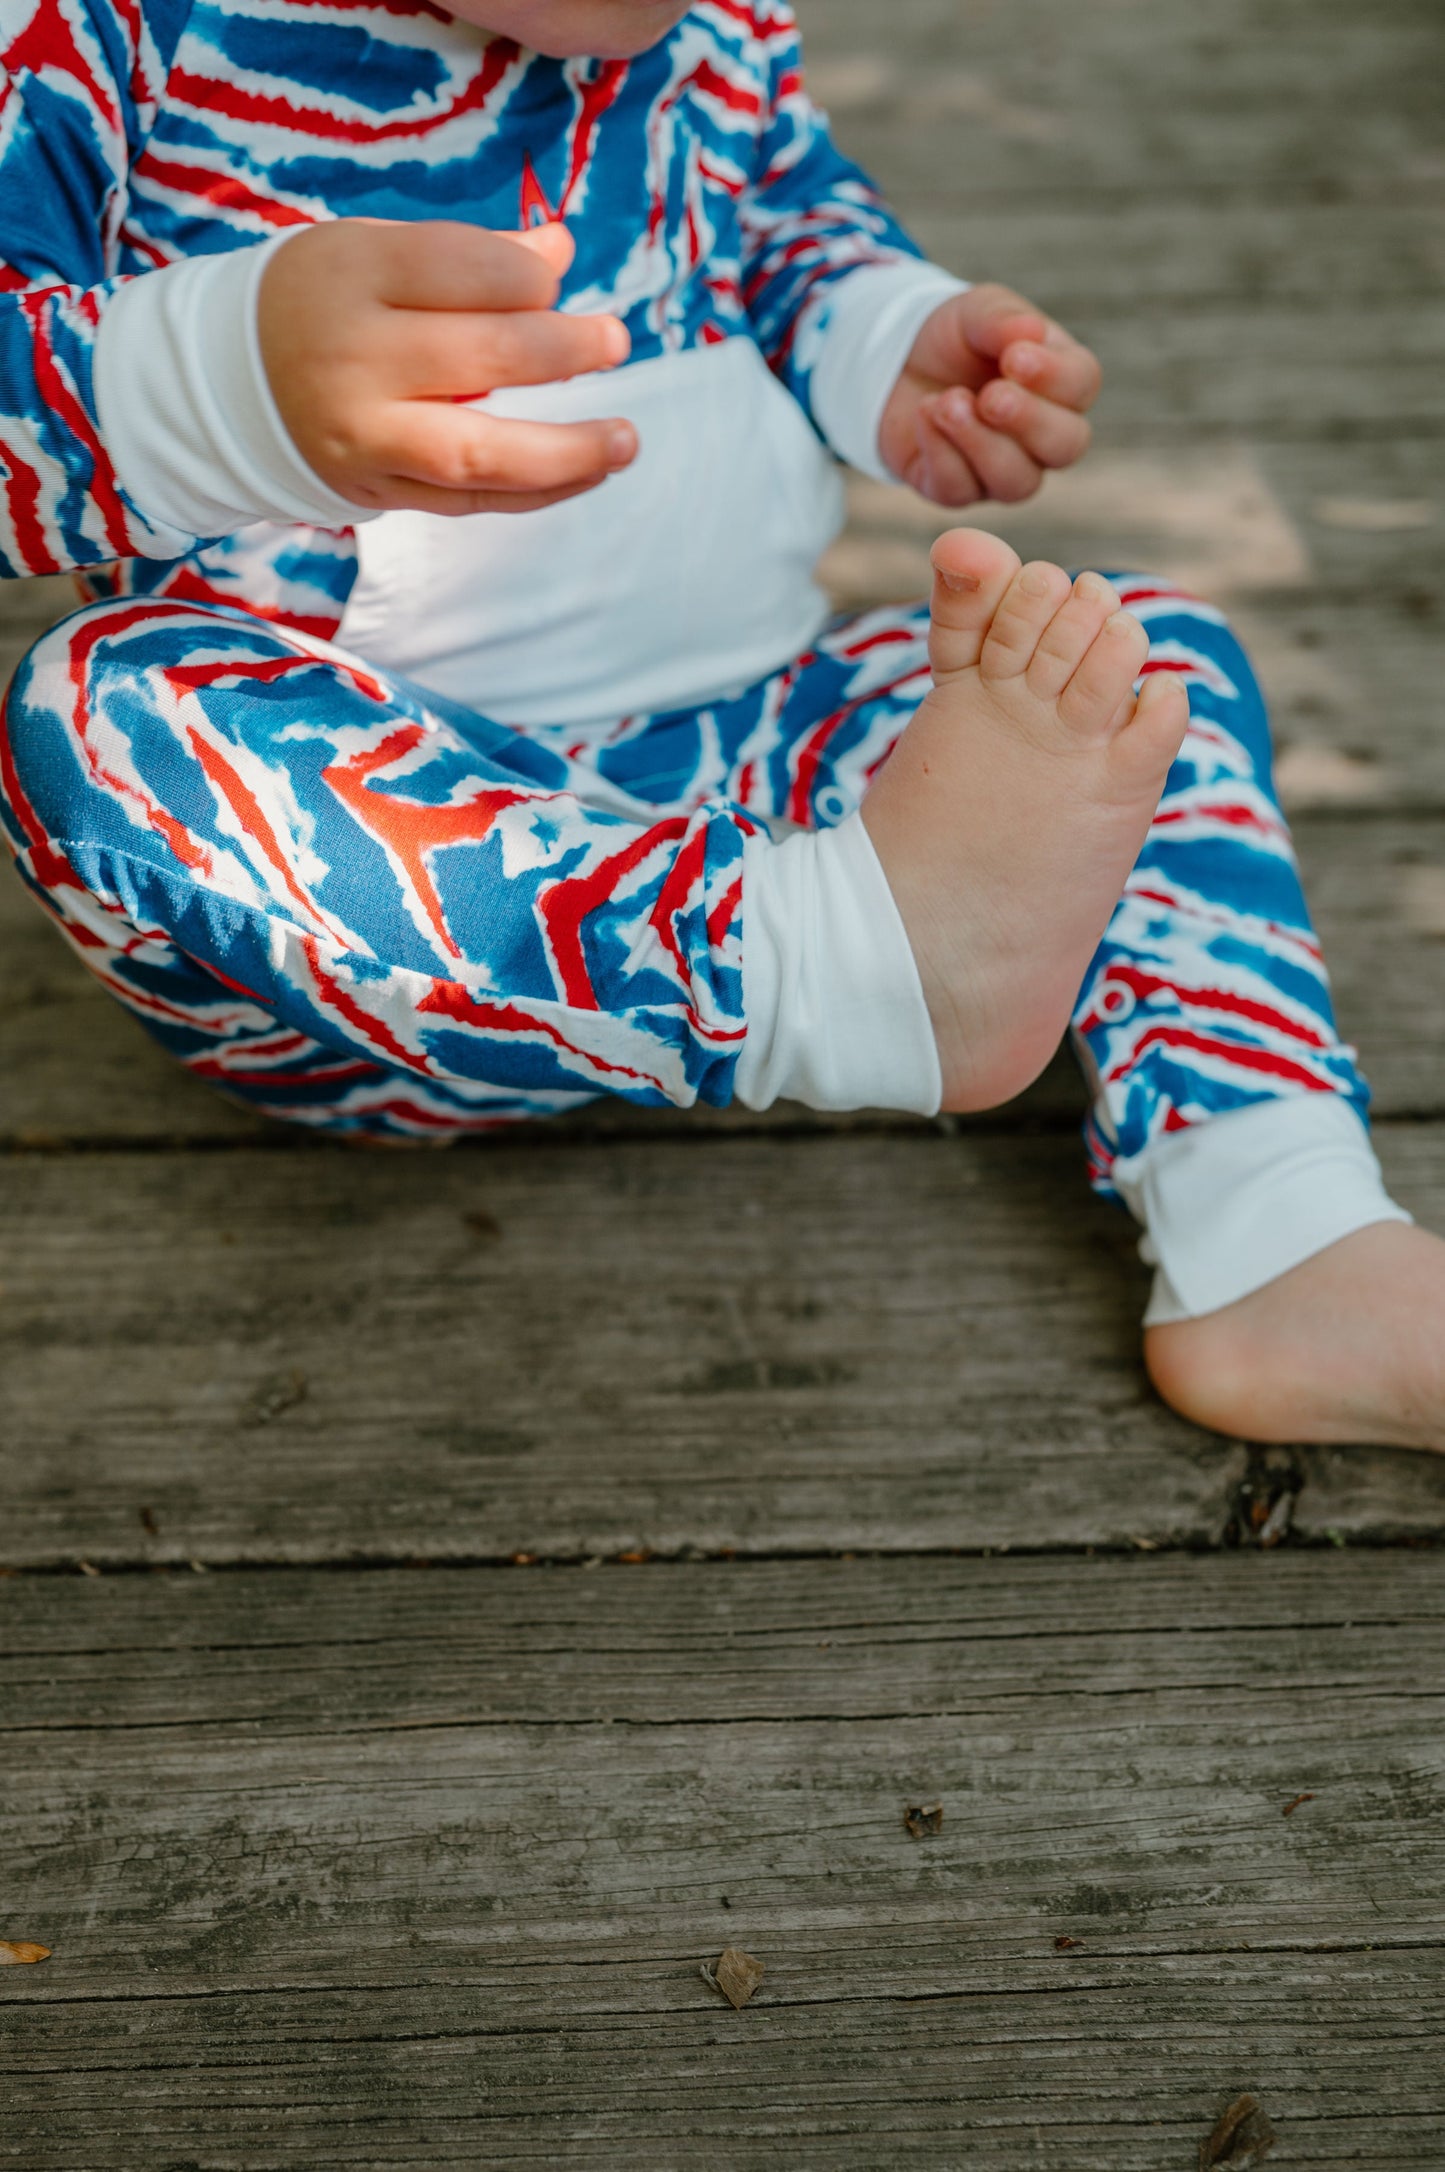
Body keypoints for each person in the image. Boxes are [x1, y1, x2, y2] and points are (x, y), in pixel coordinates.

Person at [1, 0, 1442, 1448]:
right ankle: (839, 966)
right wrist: (213, 388)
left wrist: (886, 343)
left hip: (748, 762)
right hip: (374, 919)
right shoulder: (109, 29)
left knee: (1126, 666)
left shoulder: (705, 23)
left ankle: (1274, 1225)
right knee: (96, 716)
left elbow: (773, 210)